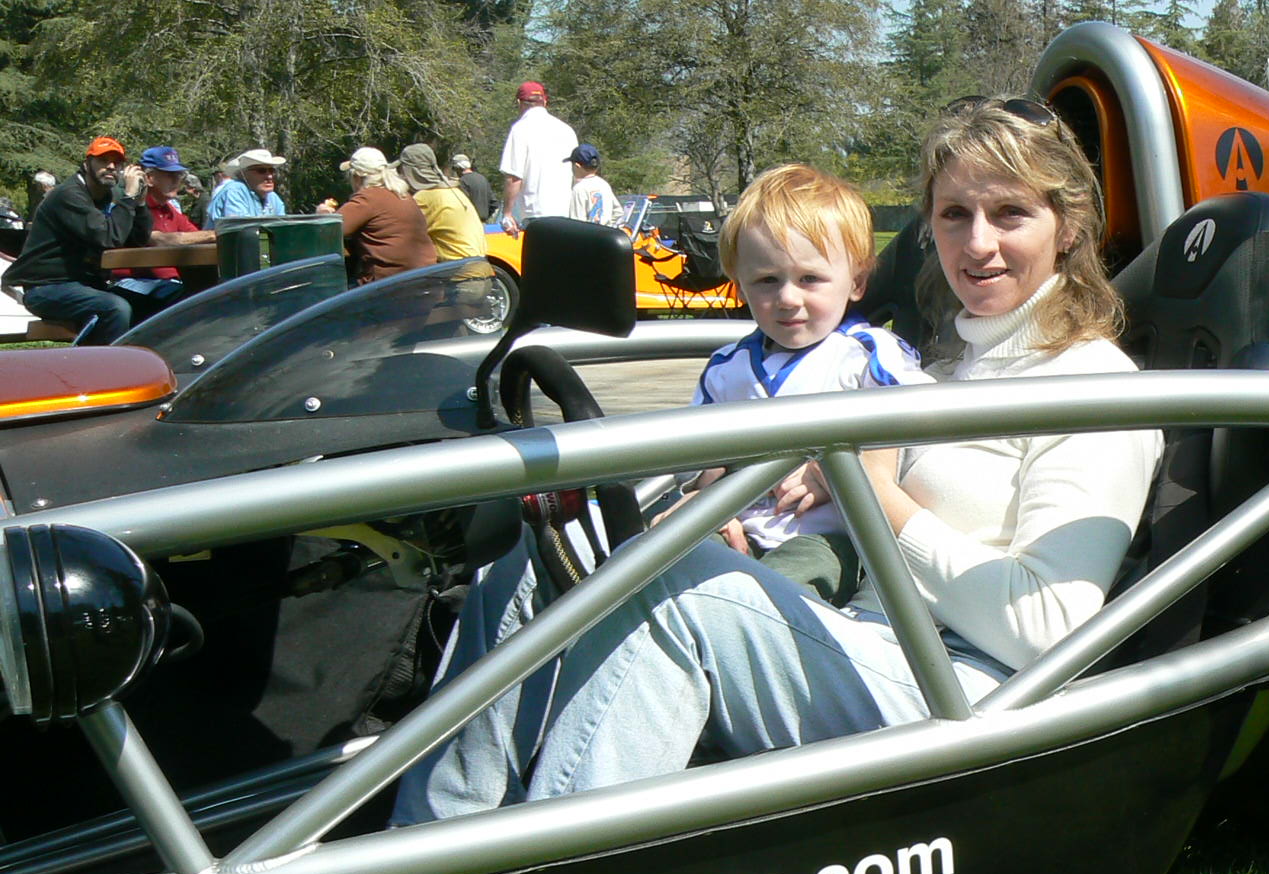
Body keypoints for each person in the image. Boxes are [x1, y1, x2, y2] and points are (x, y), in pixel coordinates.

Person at [392, 95, 1164, 822]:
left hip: (958, 685)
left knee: (670, 584)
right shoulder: (946, 367)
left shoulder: (1091, 384)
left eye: (1010, 214)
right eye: (955, 213)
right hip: (856, 630)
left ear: (1066, 227)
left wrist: (866, 488)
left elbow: (1047, 632)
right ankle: (423, 842)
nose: (978, 242)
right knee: (550, 546)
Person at [682, 163, 935, 604]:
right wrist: (702, 505)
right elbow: (701, 463)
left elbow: (924, 417)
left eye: (810, 279)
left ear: (855, 282)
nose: (787, 298)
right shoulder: (726, 368)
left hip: (831, 538)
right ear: (739, 285)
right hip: (741, 529)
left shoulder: (867, 354)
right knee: (665, 563)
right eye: (766, 280)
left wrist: (837, 468)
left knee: (776, 593)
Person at [2, 136, 162, 344]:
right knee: (115, 307)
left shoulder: (111, 195)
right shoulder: (69, 195)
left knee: (162, 298)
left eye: (117, 162)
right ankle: (106, 371)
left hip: (88, 285)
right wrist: (128, 199)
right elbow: (108, 238)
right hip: (46, 288)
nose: (111, 167)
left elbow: (137, 240)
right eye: (103, 161)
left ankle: (151, 366)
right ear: (87, 165)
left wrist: (139, 203)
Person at [107, 145, 214, 308]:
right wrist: (215, 235)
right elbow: (159, 240)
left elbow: (195, 237)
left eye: (179, 175)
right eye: (170, 175)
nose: (178, 180)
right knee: (192, 299)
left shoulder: (169, 209)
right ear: (149, 178)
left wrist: (212, 237)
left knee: (214, 292)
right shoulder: (131, 207)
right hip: (133, 284)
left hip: (169, 284)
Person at [334, 147, 435, 284]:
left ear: (357, 177)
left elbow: (331, 231)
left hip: (388, 286)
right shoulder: (403, 195)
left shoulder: (368, 198)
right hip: (424, 278)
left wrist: (322, 215)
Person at [498, 79, 578, 235]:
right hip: (566, 214)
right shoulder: (567, 130)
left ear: (519, 102)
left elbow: (514, 177)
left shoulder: (520, 129)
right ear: (545, 101)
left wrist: (507, 214)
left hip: (534, 215)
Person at [396, 143, 487, 261]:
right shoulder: (454, 191)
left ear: (411, 173)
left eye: (402, 171)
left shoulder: (424, 198)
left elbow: (400, 235)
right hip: (479, 263)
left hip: (456, 269)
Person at [207, 149, 289, 223]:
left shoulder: (273, 198)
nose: (269, 176)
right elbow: (240, 230)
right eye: (261, 171)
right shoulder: (235, 190)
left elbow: (281, 227)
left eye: (271, 171)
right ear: (243, 175)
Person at [566, 143, 624, 229]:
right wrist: (608, 227)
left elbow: (577, 224)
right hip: (604, 237)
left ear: (577, 166)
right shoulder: (604, 184)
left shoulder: (579, 189)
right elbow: (618, 212)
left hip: (588, 238)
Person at [452, 153, 496, 221]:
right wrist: (485, 216)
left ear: (458, 168)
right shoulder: (482, 178)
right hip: (482, 223)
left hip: (468, 222)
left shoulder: (462, 182)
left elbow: (461, 204)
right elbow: (494, 203)